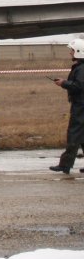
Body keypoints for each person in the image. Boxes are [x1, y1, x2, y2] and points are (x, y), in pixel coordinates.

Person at [49, 38, 84, 174]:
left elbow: (79, 86)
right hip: (80, 105)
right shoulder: (80, 67)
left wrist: (64, 83)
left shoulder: (81, 69)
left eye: (72, 51)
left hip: (80, 107)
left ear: (79, 52)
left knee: (74, 136)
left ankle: (65, 165)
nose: (70, 53)